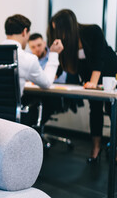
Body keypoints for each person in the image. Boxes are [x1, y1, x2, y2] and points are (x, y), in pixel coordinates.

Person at [47, 9, 117, 163]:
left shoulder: (93, 31)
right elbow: (59, 65)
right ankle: (96, 148)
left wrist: (94, 82)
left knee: (112, 109)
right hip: (89, 77)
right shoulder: (65, 41)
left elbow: (99, 59)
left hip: (108, 71)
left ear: (69, 26)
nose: (58, 33)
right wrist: (50, 78)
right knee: (95, 109)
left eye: (59, 29)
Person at [1, 14, 64, 94]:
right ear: (24, 32)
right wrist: (54, 54)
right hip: (13, 106)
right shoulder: (27, 59)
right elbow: (46, 83)